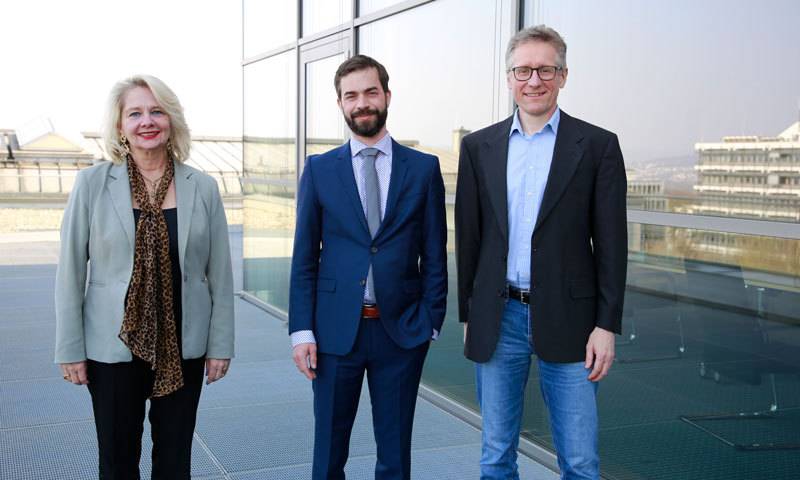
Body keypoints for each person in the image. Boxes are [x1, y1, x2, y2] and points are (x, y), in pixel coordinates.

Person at [455, 25, 627, 480]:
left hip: (572, 322)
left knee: (580, 462)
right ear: (509, 78)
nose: (534, 80)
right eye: (523, 70)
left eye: (545, 69)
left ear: (563, 75)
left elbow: (611, 245)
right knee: (495, 455)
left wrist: (606, 324)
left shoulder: (597, 146)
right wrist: (468, 314)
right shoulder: (477, 147)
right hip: (499, 316)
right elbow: (468, 237)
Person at [55, 74, 234, 479]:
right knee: (117, 461)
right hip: (112, 347)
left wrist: (220, 344)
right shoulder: (91, 183)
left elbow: (219, 274)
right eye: (134, 113)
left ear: (171, 120)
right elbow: (69, 271)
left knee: (174, 461)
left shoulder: (202, 187)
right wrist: (70, 348)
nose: (146, 121)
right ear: (120, 126)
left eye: (157, 111)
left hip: (182, 345)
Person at [289, 55, 447, 480]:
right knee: (328, 455)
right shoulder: (319, 170)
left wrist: (431, 320)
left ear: (387, 96)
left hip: (401, 333)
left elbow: (435, 253)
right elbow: (305, 257)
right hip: (335, 333)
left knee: (395, 455)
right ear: (340, 104)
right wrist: (301, 330)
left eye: (370, 92)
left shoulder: (424, 169)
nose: (362, 103)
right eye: (351, 95)